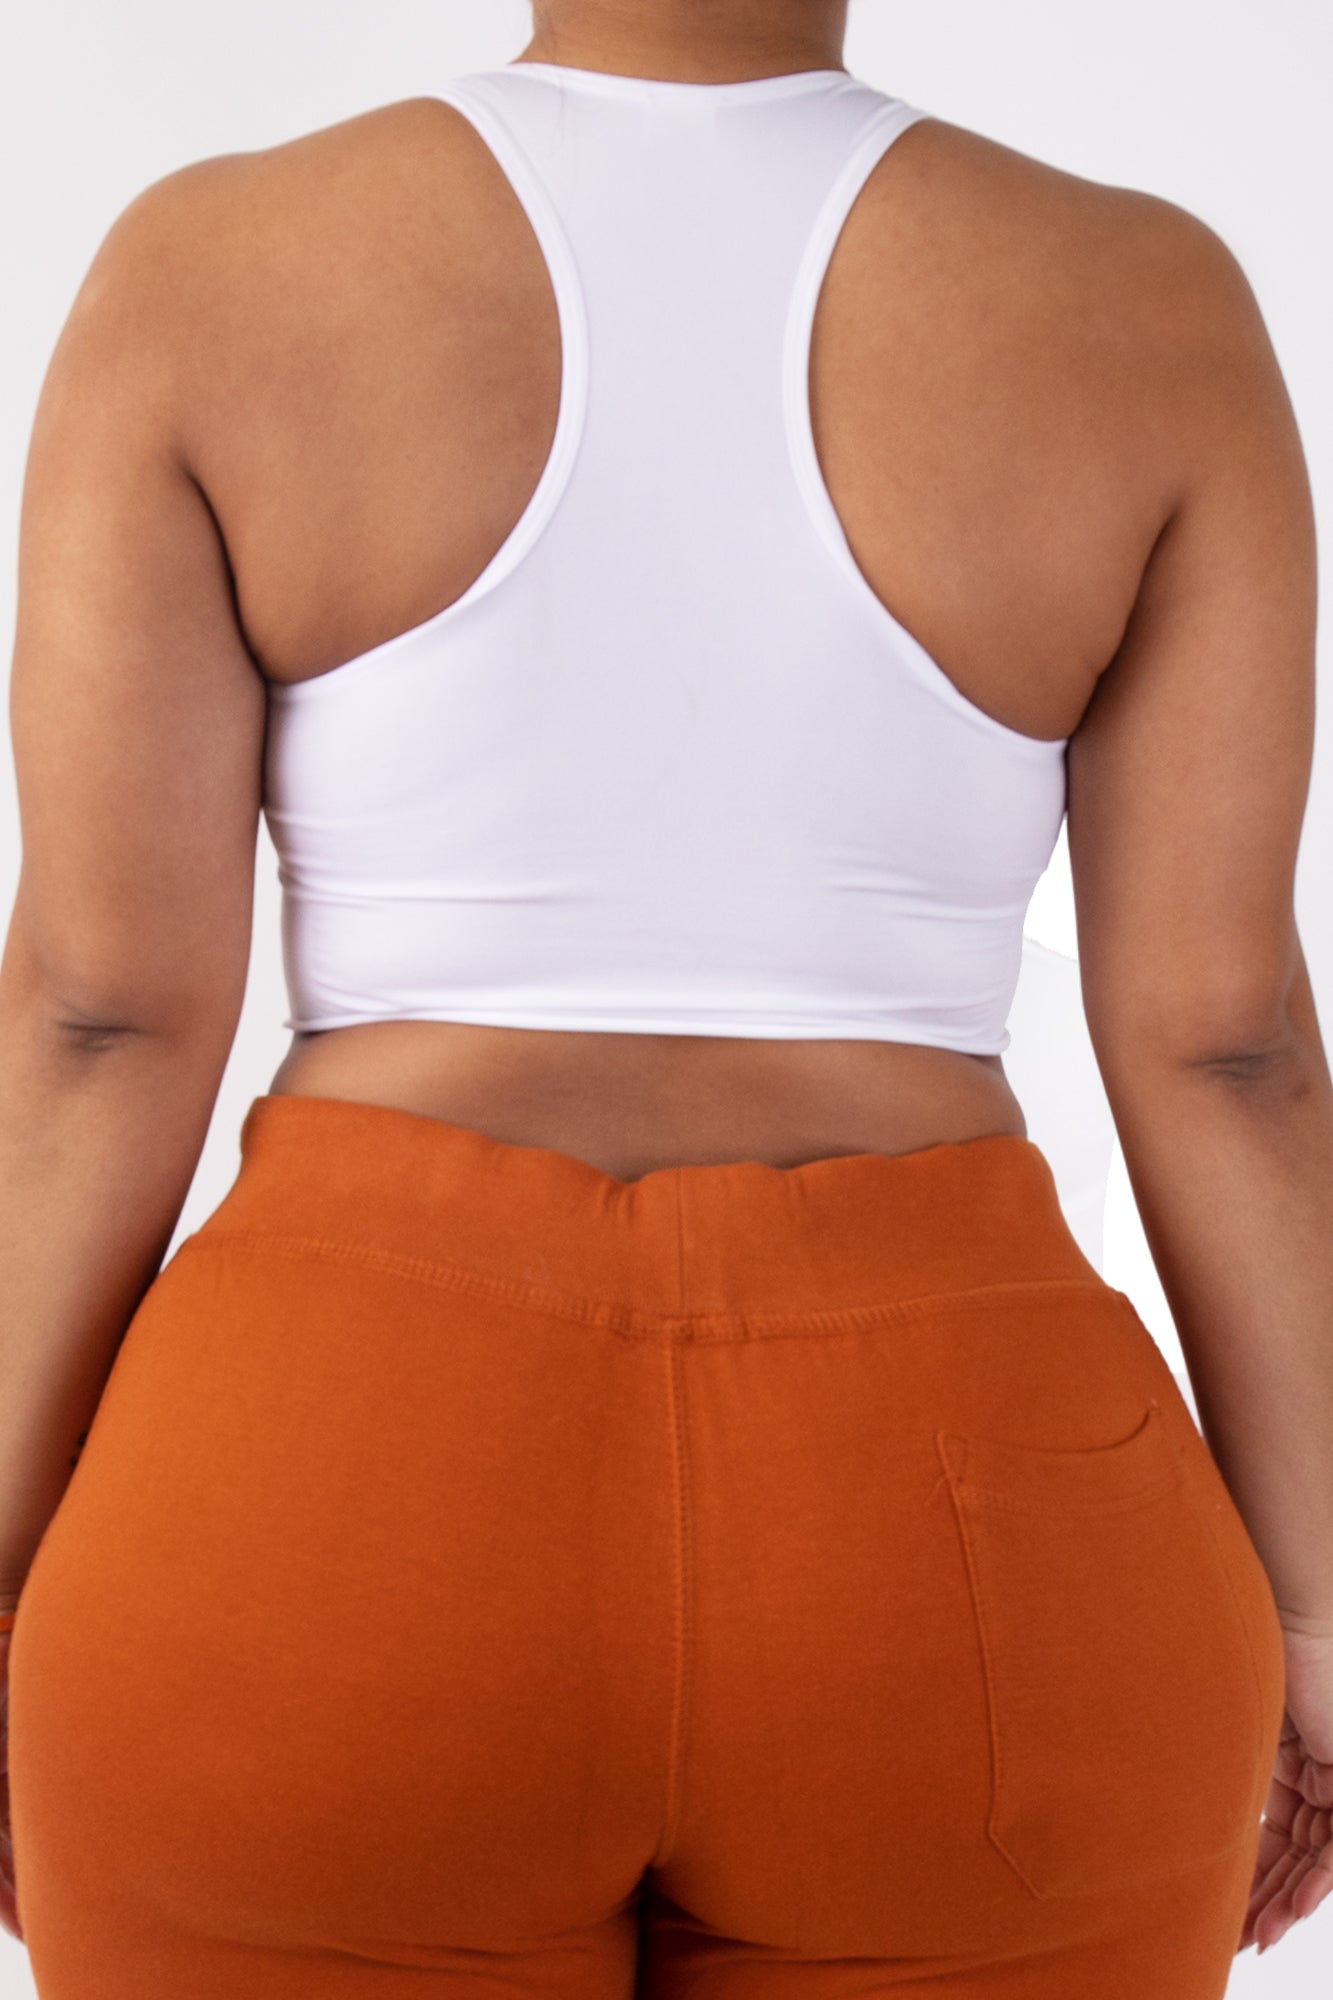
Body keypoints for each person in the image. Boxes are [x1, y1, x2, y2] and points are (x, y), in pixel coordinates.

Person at [0, 0, 1328, 1991]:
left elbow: (96, 1016)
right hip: (970, 1520)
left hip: (320, 1494)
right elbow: (1226, 1044)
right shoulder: (1141, 303)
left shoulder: (217, 269)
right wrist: (1318, 1621)